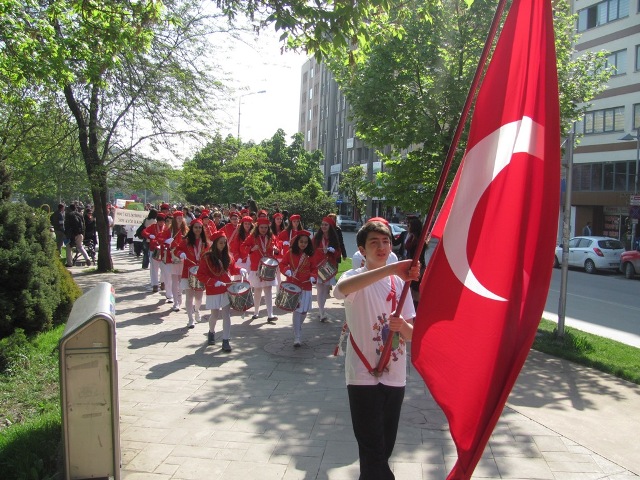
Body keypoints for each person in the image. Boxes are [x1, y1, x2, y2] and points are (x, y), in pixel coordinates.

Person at [333, 220, 419, 480]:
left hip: (395, 375)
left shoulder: (399, 285)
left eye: (386, 242)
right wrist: (393, 267)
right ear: (362, 249)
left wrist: (401, 325)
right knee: (372, 446)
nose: (381, 247)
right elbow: (341, 291)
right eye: (374, 242)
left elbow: (413, 335)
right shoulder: (353, 278)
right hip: (361, 375)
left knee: (382, 448)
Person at [197, 231, 245, 351]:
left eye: (224, 243)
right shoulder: (207, 257)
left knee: (226, 314)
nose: (223, 245)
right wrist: (213, 282)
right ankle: (211, 332)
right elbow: (200, 275)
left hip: (226, 288)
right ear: (215, 243)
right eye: (220, 243)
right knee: (214, 314)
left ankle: (225, 340)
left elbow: (233, 268)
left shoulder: (228, 256)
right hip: (213, 289)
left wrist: (240, 270)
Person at [279, 230, 318, 347]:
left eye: (306, 242)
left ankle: (298, 327)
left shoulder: (311, 255)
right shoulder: (290, 253)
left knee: (304, 311)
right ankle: (297, 336)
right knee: (297, 310)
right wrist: (286, 270)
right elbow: (282, 264)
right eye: (301, 242)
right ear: (297, 242)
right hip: (294, 285)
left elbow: (314, 269)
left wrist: (313, 276)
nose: (303, 244)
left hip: (306, 286)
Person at [241, 217, 280, 323]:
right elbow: (243, 247)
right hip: (256, 267)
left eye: (266, 228)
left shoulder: (271, 237)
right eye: (262, 227)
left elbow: (277, 246)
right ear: (258, 228)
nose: (264, 229)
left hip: (268, 267)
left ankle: (270, 314)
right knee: (257, 290)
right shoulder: (252, 237)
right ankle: (256, 312)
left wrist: (276, 250)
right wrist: (251, 249)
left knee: (268, 290)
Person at [176, 220, 209, 328]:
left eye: (200, 227)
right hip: (188, 271)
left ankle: (197, 310)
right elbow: (177, 250)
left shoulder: (205, 242)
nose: (198, 229)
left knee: (199, 297)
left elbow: (209, 254)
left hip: (201, 272)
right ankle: (190, 319)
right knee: (189, 296)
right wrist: (181, 253)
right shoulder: (186, 240)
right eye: (196, 227)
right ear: (192, 228)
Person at [312, 216, 342, 322]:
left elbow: (339, 253)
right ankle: (321, 312)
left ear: (330, 226)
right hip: (318, 266)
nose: (323, 226)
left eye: (326, 225)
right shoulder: (317, 238)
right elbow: (311, 250)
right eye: (322, 224)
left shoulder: (334, 239)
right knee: (320, 290)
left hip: (329, 267)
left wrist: (333, 251)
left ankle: (321, 310)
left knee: (325, 290)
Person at [157, 211, 188, 311]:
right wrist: (166, 241)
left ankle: (180, 300)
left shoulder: (186, 230)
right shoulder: (169, 230)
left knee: (181, 281)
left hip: (183, 258)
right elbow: (159, 238)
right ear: (174, 219)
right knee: (175, 280)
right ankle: (176, 302)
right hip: (173, 258)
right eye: (178, 217)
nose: (180, 219)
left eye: (181, 217)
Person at [142, 211, 166, 293]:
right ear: (157, 221)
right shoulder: (152, 226)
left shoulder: (166, 227)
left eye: (162, 221)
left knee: (164, 268)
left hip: (163, 250)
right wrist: (149, 235)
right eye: (160, 221)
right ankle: (155, 284)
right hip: (154, 249)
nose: (161, 223)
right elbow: (144, 232)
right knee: (154, 268)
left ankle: (163, 282)